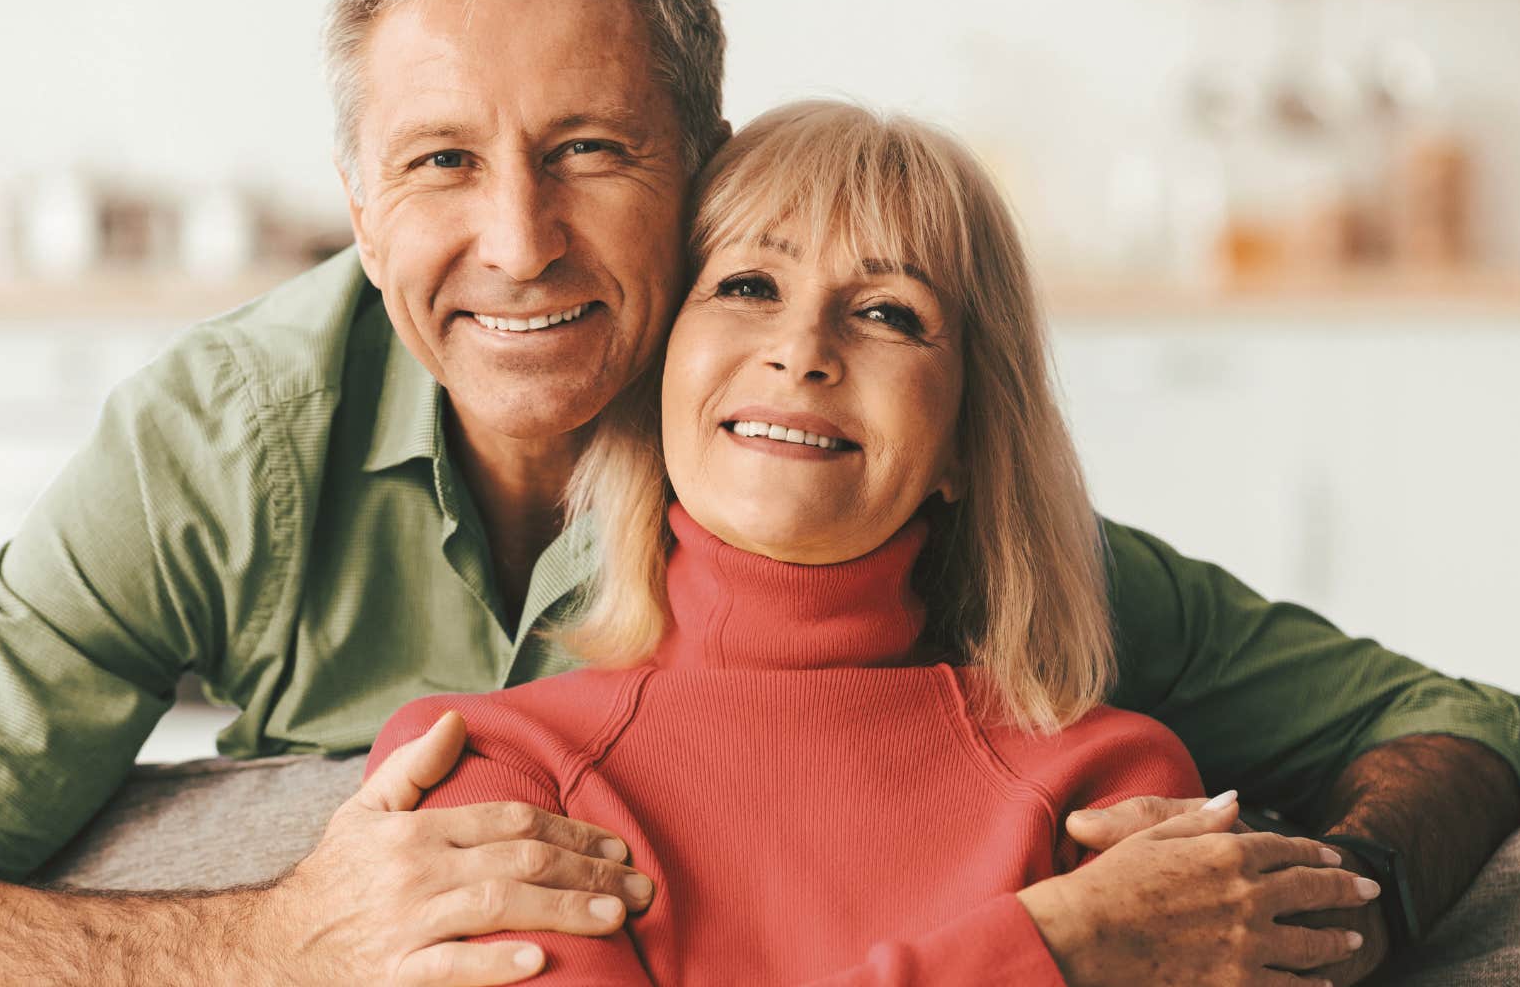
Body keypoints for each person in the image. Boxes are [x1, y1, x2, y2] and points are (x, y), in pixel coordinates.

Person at [0, 0, 1520, 985]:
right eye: (441, 163)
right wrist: (280, 938)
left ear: (705, 168)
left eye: (590, 151)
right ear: (356, 199)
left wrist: (1302, 909)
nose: (518, 244)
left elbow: (1465, 722)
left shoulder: (836, 455)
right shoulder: (229, 444)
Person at [361, 97, 1381, 983]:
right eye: (748, 286)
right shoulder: (489, 772)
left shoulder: (1109, 788)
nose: (802, 350)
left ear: (967, 437)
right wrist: (1053, 951)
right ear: (662, 368)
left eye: (890, 313)